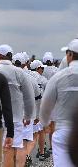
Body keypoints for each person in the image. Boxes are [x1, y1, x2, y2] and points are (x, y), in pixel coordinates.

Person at [0, 44, 34, 167]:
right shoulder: (19, 72)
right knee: (13, 147)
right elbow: (29, 96)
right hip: (15, 117)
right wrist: (28, 116)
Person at [40, 38, 78, 167]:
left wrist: (45, 123)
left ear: (70, 55)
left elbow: (46, 104)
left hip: (64, 130)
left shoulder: (59, 77)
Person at [12, 53, 40, 166]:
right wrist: (37, 115)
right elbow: (38, 98)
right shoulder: (31, 78)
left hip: (9, 114)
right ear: (26, 63)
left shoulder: (6, 75)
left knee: (10, 144)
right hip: (26, 115)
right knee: (22, 143)